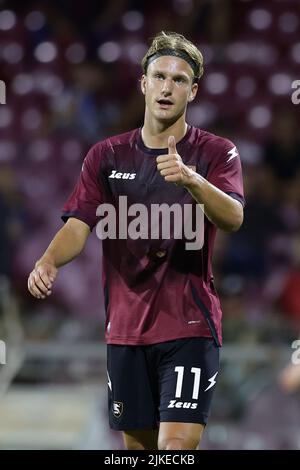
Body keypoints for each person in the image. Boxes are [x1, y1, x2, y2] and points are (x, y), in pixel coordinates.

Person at [28, 31, 245, 450]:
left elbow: (234, 216)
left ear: (193, 90)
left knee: (175, 450)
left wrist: (192, 180)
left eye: (179, 80)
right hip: (125, 332)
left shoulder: (216, 153)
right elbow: (78, 225)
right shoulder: (105, 156)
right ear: (143, 83)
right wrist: (49, 261)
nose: (167, 87)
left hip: (189, 326)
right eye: (159, 76)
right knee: (139, 454)